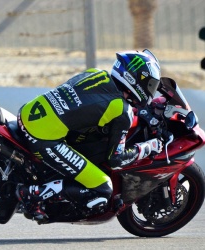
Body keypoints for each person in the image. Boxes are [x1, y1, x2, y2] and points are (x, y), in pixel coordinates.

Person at [15, 49, 163, 221]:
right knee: (102, 188)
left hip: (27, 113)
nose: (151, 90)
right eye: (150, 85)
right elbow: (116, 160)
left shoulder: (95, 74)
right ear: (135, 79)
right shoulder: (122, 111)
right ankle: (32, 195)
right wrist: (148, 147)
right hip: (43, 138)